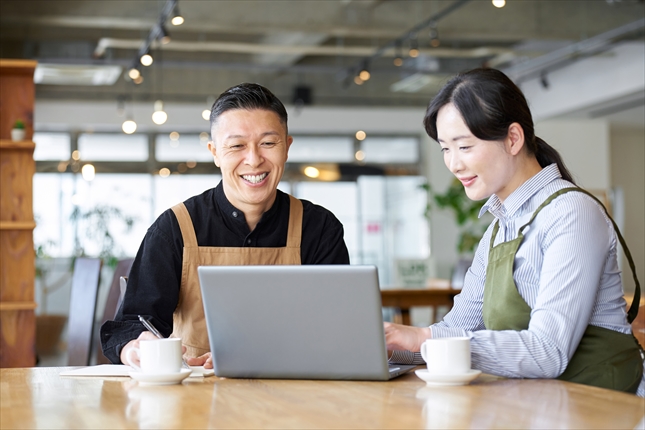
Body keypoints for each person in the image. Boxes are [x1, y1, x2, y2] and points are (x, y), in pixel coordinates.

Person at [385, 68, 644, 395]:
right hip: (538, 404)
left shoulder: (571, 213)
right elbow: (455, 329)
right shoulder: (497, 230)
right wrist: (392, 345)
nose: (453, 164)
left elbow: (548, 351)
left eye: (464, 147)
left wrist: (426, 340)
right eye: (445, 149)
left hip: (604, 407)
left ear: (513, 139)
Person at [101, 83, 350, 368]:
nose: (254, 160)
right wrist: (138, 346)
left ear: (287, 147)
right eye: (236, 146)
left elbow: (337, 331)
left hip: (292, 399)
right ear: (215, 152)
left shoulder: (319, 229)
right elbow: (130, 325)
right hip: (194, 402)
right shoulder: (175, 229)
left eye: (268, 143)